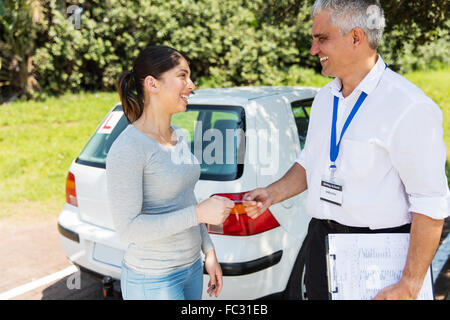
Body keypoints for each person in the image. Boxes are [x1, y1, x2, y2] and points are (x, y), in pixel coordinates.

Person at [244, 0, 449, 300]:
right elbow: (310, 162)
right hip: (320, 243)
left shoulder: (409, 107)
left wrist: (410, 283)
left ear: (356, 37)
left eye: (321, 38)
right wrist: (273, 193)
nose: (313, 49)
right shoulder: (325, 98)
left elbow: (430, 202)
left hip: (379, 254)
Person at [106, 45, 235, 300]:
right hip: (153, 280)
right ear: (152, 84)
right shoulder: (128, 148)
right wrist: (198, 214)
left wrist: (208, 252)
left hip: (191, 269)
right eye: (182, 76)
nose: (191, 84)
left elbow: (186, 198)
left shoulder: (178, 135)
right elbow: (128, 230)